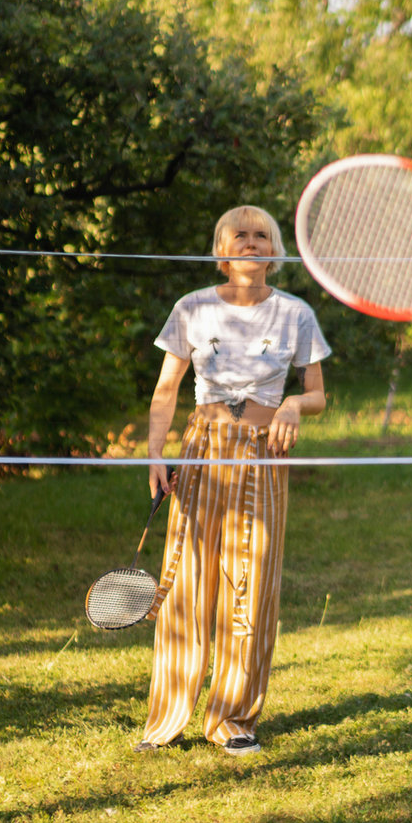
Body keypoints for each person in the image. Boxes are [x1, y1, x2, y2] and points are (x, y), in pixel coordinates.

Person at [138, 206, 329, 755]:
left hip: (263, 453)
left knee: (253, 582)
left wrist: (294, 404)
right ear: (221, 249)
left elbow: (318, 394)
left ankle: (233, 720)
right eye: (238, 235)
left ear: (275, 251)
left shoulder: (296, 314)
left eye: (261, 235)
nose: (250, 242)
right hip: (202, 449)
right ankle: (167, 719)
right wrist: (155, 455)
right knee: (187, 581)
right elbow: (166, 390)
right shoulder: (191, 308)